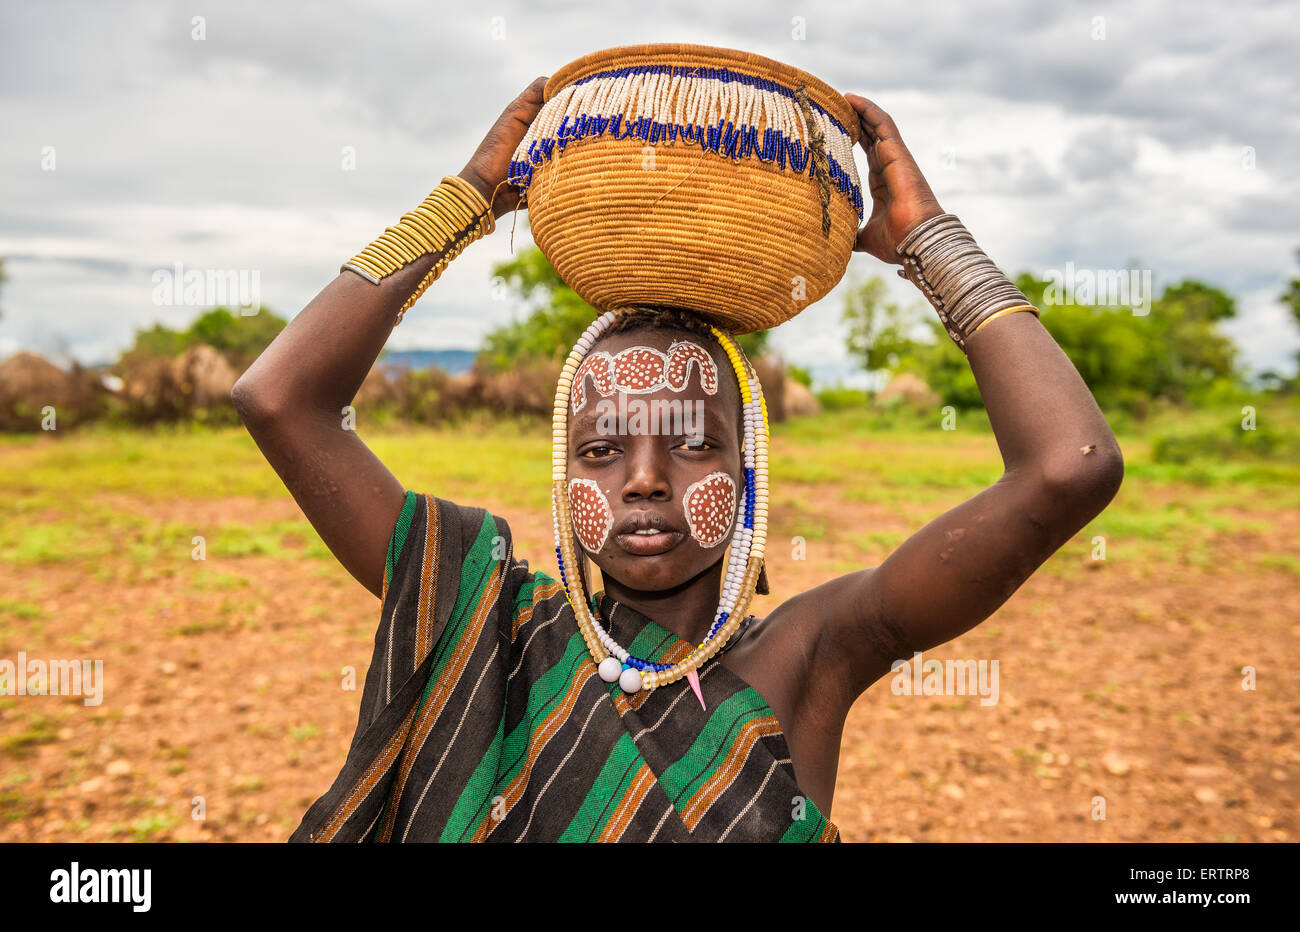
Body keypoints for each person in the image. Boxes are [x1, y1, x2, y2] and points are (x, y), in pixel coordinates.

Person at [233, 76, 1123, 842]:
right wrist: (466, 199)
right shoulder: (486, 616)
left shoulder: (812, 655)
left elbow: (1068, 467)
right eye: (601, 450)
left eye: (694, 443)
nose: (646, 479)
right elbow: (278, 400)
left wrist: (931, 242)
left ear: (747, 473)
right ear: (563, 475)